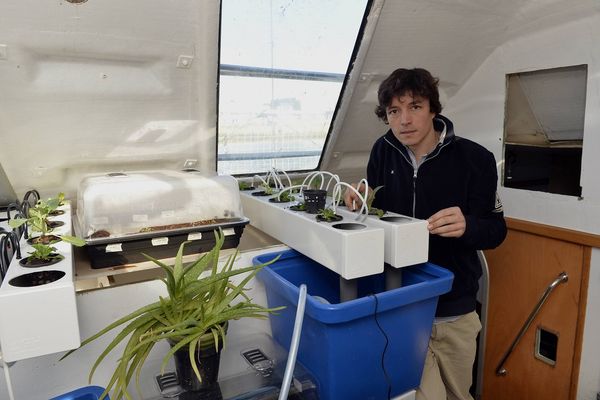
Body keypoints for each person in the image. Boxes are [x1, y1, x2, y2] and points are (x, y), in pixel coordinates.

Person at [343, 68, 507, 400]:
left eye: (415, 106)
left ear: (433, 108)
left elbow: (496, 230)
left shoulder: (476, 159)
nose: (404, 119)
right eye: (394, 111)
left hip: (454, 309)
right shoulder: (382, 151)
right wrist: (360, 203)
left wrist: (468, 225)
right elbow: (376, 218)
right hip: (400, 301)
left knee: (458, 394)